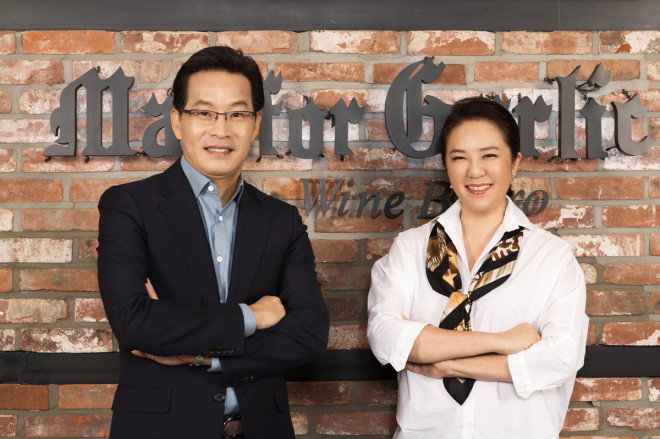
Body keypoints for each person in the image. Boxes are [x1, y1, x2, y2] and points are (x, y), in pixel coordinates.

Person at [97, 46, 329, 439]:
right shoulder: (130, 206)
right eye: (204, 113)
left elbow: (309, 335)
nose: (221, 130)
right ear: (177, 121)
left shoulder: (281, 220)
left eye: (237, 114)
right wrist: (251, 317)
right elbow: (134, 323)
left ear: (255, 123)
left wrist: (204, 357)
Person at [367, 97, 588, 438]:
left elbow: (560, 358)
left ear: (515, 163)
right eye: (459, 157)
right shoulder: (410, 248)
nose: (474, 171)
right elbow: (385, 337)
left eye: (489, 155)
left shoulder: (551, 257)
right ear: (446, 166)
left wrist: (447, 363)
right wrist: (504, 341)